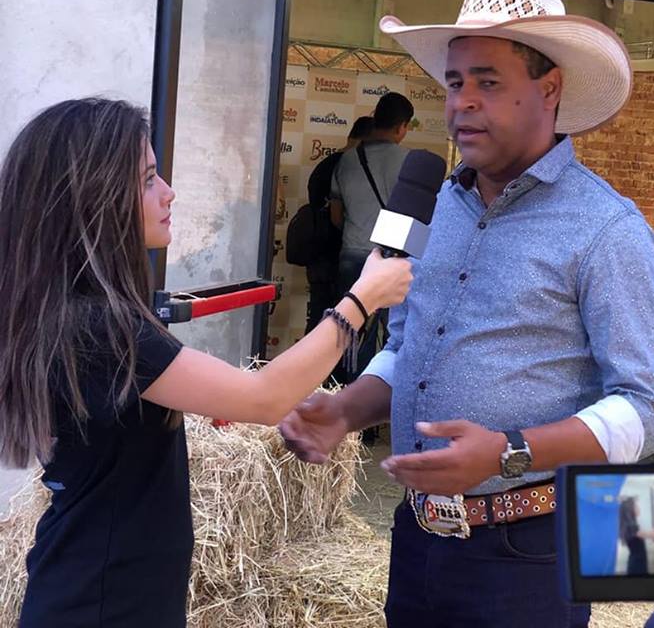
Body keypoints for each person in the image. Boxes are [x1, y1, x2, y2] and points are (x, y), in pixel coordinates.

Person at [281, 0, 654, 627]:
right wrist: (346, 409)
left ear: (549, 89)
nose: (462, 103)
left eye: (488, 83)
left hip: (529, 556)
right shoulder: (436, 206)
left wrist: (508, 451)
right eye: (455, 82)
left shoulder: (607, 230)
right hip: (417, 538)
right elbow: (409, 347)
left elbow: (651, 407)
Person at [0, 98, 412, 628]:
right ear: (94, 197)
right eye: (148, 179)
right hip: (104, 602)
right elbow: (264, 399)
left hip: (97, 587)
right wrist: (361, 300)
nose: (168, 192)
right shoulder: (100, 327)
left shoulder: (71, 312)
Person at [329, 93, 413, 385]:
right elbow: (419, 224)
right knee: (393, 337)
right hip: (392, 261)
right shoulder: (409, 162)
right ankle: (372, 398)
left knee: (348, 330)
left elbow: (336, 216)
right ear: (402, 126)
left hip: (352, 253)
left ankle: (344, 392)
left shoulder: (347, 159)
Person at [304, 115, 375, 333]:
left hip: (317, 256)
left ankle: (311, 355)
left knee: (318, 318)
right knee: (348, 323)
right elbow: (337, 217)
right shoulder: (352, 166)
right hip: (343, 254)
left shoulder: (324, 166)